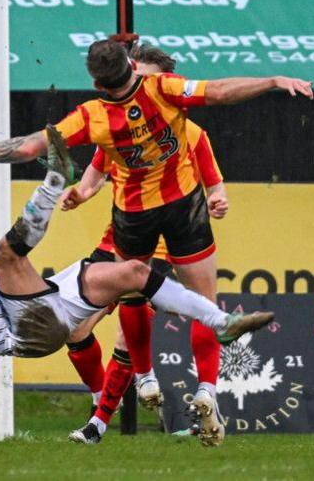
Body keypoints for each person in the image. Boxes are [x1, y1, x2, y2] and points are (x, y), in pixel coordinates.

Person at [0, 38, 312, 446]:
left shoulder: (92, 116)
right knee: (203, 296)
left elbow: (30, 146)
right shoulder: (164, 88)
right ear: (132, 67)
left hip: (133, 216)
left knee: (133, 288)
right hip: (182, 206)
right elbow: (219, 92)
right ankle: (204, 372)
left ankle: (144, 378)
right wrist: (273, 79)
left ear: (97, 82)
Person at [0, 134, 271, 449]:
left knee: (133, 272)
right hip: (25, 334)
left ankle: (221, 322)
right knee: (4, 254)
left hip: (43, 298)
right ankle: (54, 180)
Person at [62, 45, 228, 443]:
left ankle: (99, 422)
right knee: (74, 329)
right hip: (117, 239)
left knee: (128, 330)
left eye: (150, 81)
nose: (142, 89)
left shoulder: (189, 132)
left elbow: (213, 179)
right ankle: (105, 400)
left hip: (157, 247)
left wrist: (218, 197)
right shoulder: (114, 126)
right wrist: (82, 194)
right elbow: (95, 173)